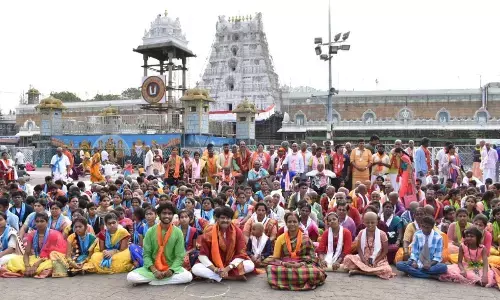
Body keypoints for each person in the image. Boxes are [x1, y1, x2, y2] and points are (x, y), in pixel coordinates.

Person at [127, 203, 193, 286]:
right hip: (153, 268)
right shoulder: (150, 231)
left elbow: (179, 256)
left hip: (170, 267)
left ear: (173, 215)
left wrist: (171, 270)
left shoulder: (178, 232)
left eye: (169, 214)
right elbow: (146, 254)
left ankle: (157, 282)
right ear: (159, 215)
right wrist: (154, 270)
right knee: (131, 277)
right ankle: (162, 280)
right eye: (164, 213)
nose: (167, 216)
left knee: (188, 277)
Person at [264, 212, 326, 290]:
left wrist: (300, 264)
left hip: (302, 264)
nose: (292, 224)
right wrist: (284, 263)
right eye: (289, 222)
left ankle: (284, 282)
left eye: (294, 222)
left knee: (314, 271)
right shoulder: (280, 238)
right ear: (286, 223)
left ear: (298, 223)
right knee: (270, 268)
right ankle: (302, 281)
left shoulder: (306, 238)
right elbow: (276, 257)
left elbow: (313, 257)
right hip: (286, 265)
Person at [191, 206, 255, 282]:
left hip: (230, 264)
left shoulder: (237, 232)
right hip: (213, 265)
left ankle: (217, 277)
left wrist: (227, 268)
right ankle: (231, 277)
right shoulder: (209, 231)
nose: (225, 220)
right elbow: (202, 255)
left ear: (231, 219)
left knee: (250, 265)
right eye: (222, 218)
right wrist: (215, 269)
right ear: (217, 219)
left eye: (228, 218)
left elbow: (241, 253)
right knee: (196, 269)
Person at [5, 212, 67, 278]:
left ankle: (35, 270)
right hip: (36, 257)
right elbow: (26, 253)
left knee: (52, 265)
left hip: (48, 258)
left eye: (42, 221)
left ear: (47, 222)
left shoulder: (53, 234)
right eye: (37, 221)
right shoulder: (32, 234)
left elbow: (50, 254)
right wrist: (27, 266)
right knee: (14, 260)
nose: (39, 224)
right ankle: (31, 270)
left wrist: (36, 264)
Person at [343, 212, 394, 279]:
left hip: (378, 259)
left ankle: (360, 272)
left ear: (377, 222)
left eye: (372, 222)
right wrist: (363, 260)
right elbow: (359, 248)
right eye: (367, 222)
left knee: (387, 270)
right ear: (363, 222)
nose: (370, 225)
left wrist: (376, 261)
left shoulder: (382, 234)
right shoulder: (361, 232)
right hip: (363, 258)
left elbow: (385, 251)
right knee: (347, 259)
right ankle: (370, 271)